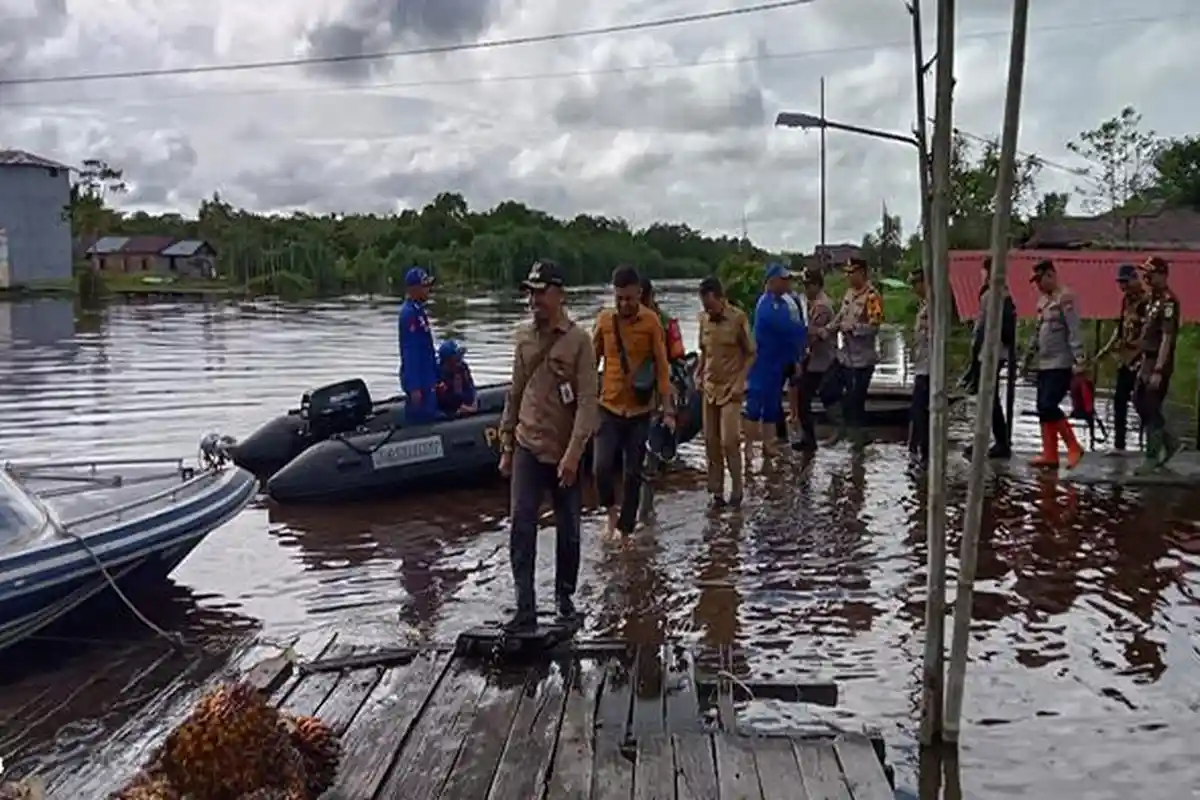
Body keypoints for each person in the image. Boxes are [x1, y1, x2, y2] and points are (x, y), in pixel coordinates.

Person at [496, 259, 598, 631]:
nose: (533, 300)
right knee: (522, 523)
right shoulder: (522, 337)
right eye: (530, 293)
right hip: (527, 442)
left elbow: (588, 401)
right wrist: (507, 444)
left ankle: (564, 599)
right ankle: (525, 607)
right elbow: (515, 391)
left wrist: (574, 453)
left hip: (564, 450)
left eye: (541, 293)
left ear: (559, 295)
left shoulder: (579, 341)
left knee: (568, 527)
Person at [593, 265, 674, 538]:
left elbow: (663, 368)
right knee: (601, 467)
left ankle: (625, 532)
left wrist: (668, 409)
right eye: (619, 298)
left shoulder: (652, 322)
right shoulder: (604, 321)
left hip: (640, 410)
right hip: (609, 406)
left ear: (639, 293)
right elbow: (592, 362)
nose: (624, 303)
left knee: (632, 474)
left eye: (629, 298)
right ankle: (610, 513)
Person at [697, 277, 755, 508]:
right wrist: (698, 372)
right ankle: (717, 491)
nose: (708, 310)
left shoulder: (738, 318)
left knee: (729, 440)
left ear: (721, 299)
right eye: (704, 306)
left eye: (711, 305)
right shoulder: (703, 319)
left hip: (731, 388)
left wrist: (741, 381)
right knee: (711, 441)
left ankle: (737, 489)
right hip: (709, 386)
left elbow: (751, 353)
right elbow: (704, 351)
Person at [1024, 259, 1086, 469]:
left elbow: (1074, 330)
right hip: (1044, 363)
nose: (1038, 285)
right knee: (1042, 407)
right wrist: (1028, 355)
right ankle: (1049, 453)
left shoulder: (1065, 299)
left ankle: (1074, 446)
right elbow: (1037, 331)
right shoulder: (1043, 302)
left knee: (1049, 405)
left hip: (1061, 362)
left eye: (1040, 279)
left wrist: (1079, 360)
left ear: (1051, 275)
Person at [744, 262, 806, 466]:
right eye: (784, 279)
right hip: (762, 363)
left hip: (779, 362)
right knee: (754, 406)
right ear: (772, 282)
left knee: (772, 405)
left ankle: (769, 445)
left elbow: (796, 330)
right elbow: (787, 329)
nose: (788, 283)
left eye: (789, 279)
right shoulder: (766, 304)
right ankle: (749, 447)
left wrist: (796, 357)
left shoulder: (789, 301)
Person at [962, 255, 1015, 460]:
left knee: (988, 398)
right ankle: (996, 441)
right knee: (990, 398)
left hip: (988, 352)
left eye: (983, 271)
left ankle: (994, 442)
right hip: (1000, 352)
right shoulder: (1006, 294)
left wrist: (974, 358)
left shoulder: (990, 296)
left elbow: (981, 330)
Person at [1133, 256, 1182, 472]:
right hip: (1146, 361)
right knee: (1138, 401)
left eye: (1150, 273)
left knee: (1151, 406)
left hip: (1158, 362)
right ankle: (1170, 441)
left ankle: (1152, 456)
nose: (1146, 277)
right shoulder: (1152, 300)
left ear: (1162, 274)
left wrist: (1159, 370)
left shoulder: (1169, 302)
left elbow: (1166, 338)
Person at [828, 257, 883, 444]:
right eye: (847, 273)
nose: (848, 276)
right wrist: (828, 329)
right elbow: (840, 316)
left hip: (862, 360)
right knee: (828, 388)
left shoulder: (872, 296)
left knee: (856, 402)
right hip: (845, 356)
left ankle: (858, 441)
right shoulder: (849, 293)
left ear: (862, 273)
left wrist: (855, 328)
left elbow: (875, 327)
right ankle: (841, 427)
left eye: (852, 273)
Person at [1094, 263, 1148, 455]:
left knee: (1141, 402)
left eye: (1126, 282)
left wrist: (1142, 357)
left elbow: (1149, 333)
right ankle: (1119, 444)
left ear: (1135, 279)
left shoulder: (1146, 302)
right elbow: (1120, 327)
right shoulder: (1126, 301)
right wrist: (1107, 349)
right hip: (1125, 358)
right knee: (1119, 400)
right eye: (1121, 283)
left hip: (1141, 359)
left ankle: (1158, 444)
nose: (1123, 286)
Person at [793, 267, 835, 451]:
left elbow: (812, 336)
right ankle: (809, 439)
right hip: (817, 358)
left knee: (805, 401)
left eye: (808, 285)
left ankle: (811, 440)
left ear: (817, 285)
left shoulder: (822, 306)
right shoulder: (815, 303)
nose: (805, 289)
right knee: (806, 399)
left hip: (821, 361)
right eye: (804, 285)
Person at [398, 266, 439, 425]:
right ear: (413, 288)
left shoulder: (418, 311)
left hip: (427, 378)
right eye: (424, 286)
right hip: (420, 382)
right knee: (421, 423)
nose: (428, 290)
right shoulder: (409, 314)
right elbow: (411, 352)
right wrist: (414, 386)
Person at [907, 267, 931, 462]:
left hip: (930, 368)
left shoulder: (934, 306)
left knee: (922, 411)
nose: (914, 287)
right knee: (918, 411)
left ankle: (924, 451)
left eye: (916, 282)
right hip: (921, 365)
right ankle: (916, 449)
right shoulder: (923, 304)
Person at [434, 340, 478, 416]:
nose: (460, 360)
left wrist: (473, 403)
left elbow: (471, 388)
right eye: (456, 357)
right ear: (448, 360)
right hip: (448, 410)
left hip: (464, 404)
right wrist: (459, 405)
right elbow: (442, 399)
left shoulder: (463, 368)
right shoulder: (439, 375)